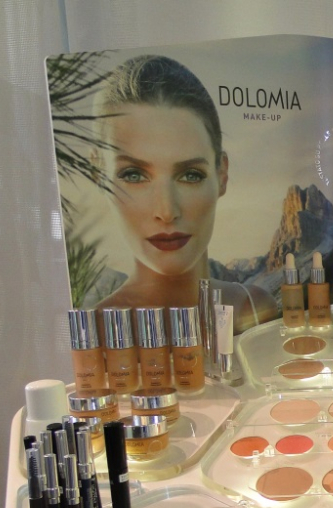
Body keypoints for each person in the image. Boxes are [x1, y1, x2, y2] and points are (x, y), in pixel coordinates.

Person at [92, 54, 277, 333]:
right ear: (98, 174)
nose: (167, 212)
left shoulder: (254, 308)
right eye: (134, 175)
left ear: (222, 175)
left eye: (191, 175)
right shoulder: (96, 330)